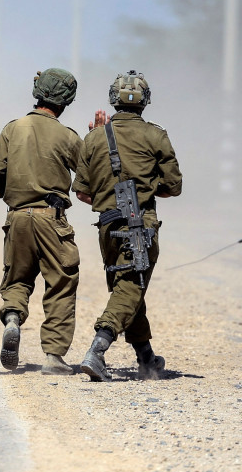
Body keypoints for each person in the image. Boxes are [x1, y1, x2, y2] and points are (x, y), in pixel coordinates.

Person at [73, 70, 183, 382]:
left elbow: (82, 192)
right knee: (131, 286)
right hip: (140, 223)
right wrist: (148, 189)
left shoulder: (95, 136)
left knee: (126, 286)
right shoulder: (156, 135)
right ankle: (97, 349)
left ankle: (146, 357)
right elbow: (174, 186)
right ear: (145, 102)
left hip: (107, 226)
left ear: (112, 99)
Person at [0, 68, 83, 376]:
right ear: (66, 101)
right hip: (52, 218)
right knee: (61, 282)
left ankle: (13, 319)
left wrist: (11, 197)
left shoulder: (12, 128)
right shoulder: (68, 136)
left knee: (17, 278)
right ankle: (54, 357)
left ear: (37, 93)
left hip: (16, 218)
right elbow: (89, 178)